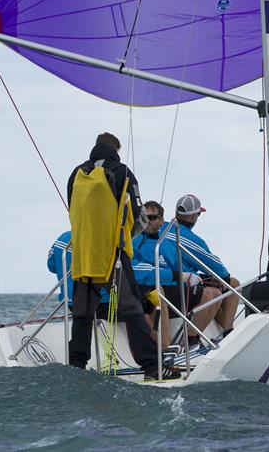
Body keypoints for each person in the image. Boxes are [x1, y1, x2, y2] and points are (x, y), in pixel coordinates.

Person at [66, 132, 176, 380]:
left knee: (83, 312)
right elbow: (138, 214)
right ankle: (153, 367)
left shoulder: (76, 174)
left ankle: (76, 367)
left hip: (84, 254)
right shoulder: (122, 171)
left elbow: (71, 208)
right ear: (116, 149)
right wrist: (126, 238)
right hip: (112, 252)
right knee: (132, 308)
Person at [132, 201, 222, 348]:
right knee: (205, 295)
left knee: (216, 293)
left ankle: (192, 340)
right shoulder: (134, 241)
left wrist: (189, 279)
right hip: (147, 288)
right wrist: (179, 277)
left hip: (169, 287)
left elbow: (176, 268)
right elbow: (138, 270)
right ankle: (178, 345)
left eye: (152, 217)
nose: (147, 221)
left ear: (161, 220)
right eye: (144, 217)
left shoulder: (166, 244)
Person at [164, 195, 240, 335]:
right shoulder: (190, 239)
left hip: (160, 280)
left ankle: (225, 331)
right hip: (178, 284)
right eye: (198, 214)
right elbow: (217, 268)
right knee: (233, 284)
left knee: (213, 285)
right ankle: (228, 332)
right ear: (193, 217)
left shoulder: (162, 228)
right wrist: (225, 277)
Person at [47, 230, 110, 310]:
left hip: (70, 300)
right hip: (102, 301)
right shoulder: (103, 238)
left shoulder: (62, 238)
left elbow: (51, 266)